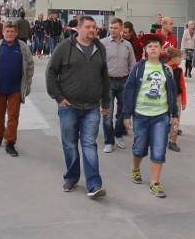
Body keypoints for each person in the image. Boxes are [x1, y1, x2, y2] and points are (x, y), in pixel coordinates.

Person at [45, 16, 110, 198]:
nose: (92, 30)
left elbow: (105, 77)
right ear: (79, 29)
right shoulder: (65, 47)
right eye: (88, 27)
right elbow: (51, 72)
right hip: (69, 106)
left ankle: (94, 184)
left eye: (94, 27)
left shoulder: (100, 48)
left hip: (91, 107)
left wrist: (105, 102)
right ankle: (72, 177)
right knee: (70, 144)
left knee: (89, 144)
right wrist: (58, 97)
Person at [122, 37, 179, 199]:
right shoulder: (138, 68)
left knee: (159, 149)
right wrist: (127, 114)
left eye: (156, 46)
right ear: (146, 50)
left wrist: (174, 114)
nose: (153, 48)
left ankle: (155, 183)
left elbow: (172, 93)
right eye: (150, 46)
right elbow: (129, 90)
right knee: (139, 148)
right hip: (141, 115)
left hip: (161, 116)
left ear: (162, 50)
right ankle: (136, 169)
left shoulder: (167, 69)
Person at [0, 22, 34, 157]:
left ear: (16, 33)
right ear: (3, 32)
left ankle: (10, 142)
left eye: (12, 31)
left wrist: (27, 83)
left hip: (16, 88)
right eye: (7, 31)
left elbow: (30, 66)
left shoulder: (22, 47)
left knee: (13, 115)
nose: (10, 34)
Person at [101, 18, 135, 154]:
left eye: (115, 28)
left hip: (124, 82)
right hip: (108, 82)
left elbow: (132, 63)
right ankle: (109, 141)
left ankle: (118, 134)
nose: (112, 30)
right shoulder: (102, 44)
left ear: (121, 29)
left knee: (123, 111)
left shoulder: (127, 45)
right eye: (111, 28)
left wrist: (132, 81)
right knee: (107, 114)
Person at [165, 47, 186, 152]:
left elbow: (182, 86)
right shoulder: (165, 68)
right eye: (179, 58)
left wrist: (184, 101)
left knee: (176, 120)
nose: (180, 60)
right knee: (164, 118)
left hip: (177, 97)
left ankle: (172, 141)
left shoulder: (179, 70)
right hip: (165, 98)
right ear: (173, 58)